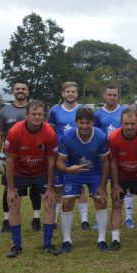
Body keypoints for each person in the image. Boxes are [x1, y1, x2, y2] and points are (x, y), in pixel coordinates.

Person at [3, 100, 60, 257]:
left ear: (44, 115)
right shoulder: (15, 131)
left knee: (50, 203)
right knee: (14, 204)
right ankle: (16, 246)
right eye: (33, 114)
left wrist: (50, 188)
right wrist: (11, 188)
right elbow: (9, 161)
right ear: (26, 114)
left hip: (41, 172)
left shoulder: (49, 133)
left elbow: (51, 162)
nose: (37, 117)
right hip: (19, 172)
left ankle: (47, 244)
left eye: (40, 114)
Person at [56, 107, 110, 253]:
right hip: (74, 171)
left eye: (88, 123)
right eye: (81, 123)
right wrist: (68, 170)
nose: (84, 126)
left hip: (94, 172)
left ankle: (102, 239)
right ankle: (67, 240)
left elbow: (106, 162)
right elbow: (59, 161)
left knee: (100, 200)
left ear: (93, 122)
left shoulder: (100, 136)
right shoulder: (67, 136)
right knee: (67, 202)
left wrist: (103, 186)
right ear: (76, 122)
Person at [0, 80, 41, 233]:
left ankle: (36, 219)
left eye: (23, 89)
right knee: (8, 187)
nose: (20, 91)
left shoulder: (35, 109)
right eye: (17, 88)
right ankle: (7, 220)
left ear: (28, 92)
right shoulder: (4, 111)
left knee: (35, 187)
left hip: (33, 156)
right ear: (13, 91)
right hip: (12, 158)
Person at [108, 108, 137, 248]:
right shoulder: (113, 137)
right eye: (126, 124)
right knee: (117, 203)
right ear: (121, 123)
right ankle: (115, 239)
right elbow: (113, 162)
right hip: (121, 175)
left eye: (132, 124)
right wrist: (116, 184)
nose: (129, 127)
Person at [48, 81, 92, 230]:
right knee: (58, 188)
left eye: (73, 91)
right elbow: (51, 132)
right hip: (61, 154)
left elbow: (89, 130)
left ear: (77, 94)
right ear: (63, 93)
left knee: (81, 188)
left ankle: (84, 220)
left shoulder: (83, 110)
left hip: (78, 154)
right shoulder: (55, 110)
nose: (70, 94)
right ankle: (54, 219)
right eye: (68, 91)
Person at [95, 84, 135, 230]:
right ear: (104, 96)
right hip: (104, 156)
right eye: (109, 95)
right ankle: (100, 217)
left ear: (118, 96)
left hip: (122, 155)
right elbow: (96, 134)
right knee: (101, 186)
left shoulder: (124, 111)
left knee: (126, 186)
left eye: (115, 95)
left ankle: (129, 218)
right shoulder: (98, 114)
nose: (112, 97)